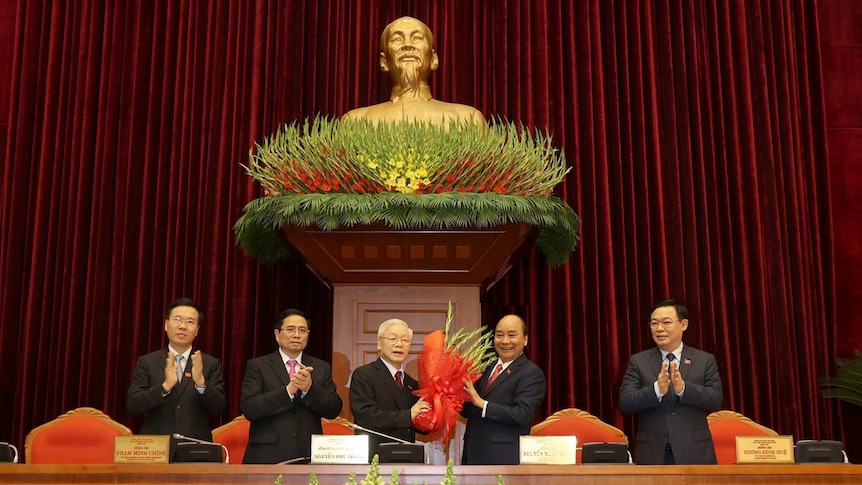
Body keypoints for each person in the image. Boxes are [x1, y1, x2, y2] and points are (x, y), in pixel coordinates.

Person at [618, 299, 723, 464]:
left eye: (666, 322)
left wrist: (684, 389)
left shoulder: (704, 360)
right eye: (654, 323)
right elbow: (626, 402)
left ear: (684, 325)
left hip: (695, 451)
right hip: (653, 452)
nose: (659, 329)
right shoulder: (638, 361)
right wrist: (656, 390)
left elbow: (715, 399)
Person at [240, 308, 343, 464]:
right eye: (290, 329)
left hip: (308, 454)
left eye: (302, 330)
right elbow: (250, 408)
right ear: (277, 334)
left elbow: (333, 409)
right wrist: (288, 391)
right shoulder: (258, 365)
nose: (296, 335)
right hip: (266, 454)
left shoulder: (321, 367)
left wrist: (309, 389)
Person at [342, 16, 486, 126]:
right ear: (383, 61)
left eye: (417, 38)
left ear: (434, 59)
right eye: (397, 39)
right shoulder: (355, 122)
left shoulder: (468, 120)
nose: (408, 45)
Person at [127, 298, 227, 449]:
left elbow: (218, 408)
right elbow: (133, 405)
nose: (182, 326)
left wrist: (201, 383)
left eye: (190, 322)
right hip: (155, 448)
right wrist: (164, 387)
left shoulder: (210, 364)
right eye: (177, 319)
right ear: (166, 325)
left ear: (197, 330)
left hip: (195, 446)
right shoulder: (147, 362)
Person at [460, 314, 547, 464]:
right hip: (473, 454)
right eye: (499, 335)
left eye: (511, 335)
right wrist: (454, 393)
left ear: (525, 339)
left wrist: (482, 404)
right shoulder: (485, 367)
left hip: (504, 458)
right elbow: (469, 410)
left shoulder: (531, 372)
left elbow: (522, 414)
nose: (505, 341)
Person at [349, 318, 431, 459]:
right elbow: (366, 417)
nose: (399, 344)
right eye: (393, 339)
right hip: (374, 458)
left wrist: (433, 415)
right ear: (379, 343)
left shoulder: (413, 384)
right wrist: (409, 415)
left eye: (405, 340)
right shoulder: (364, 375)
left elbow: (419, 427)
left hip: (407, 457)